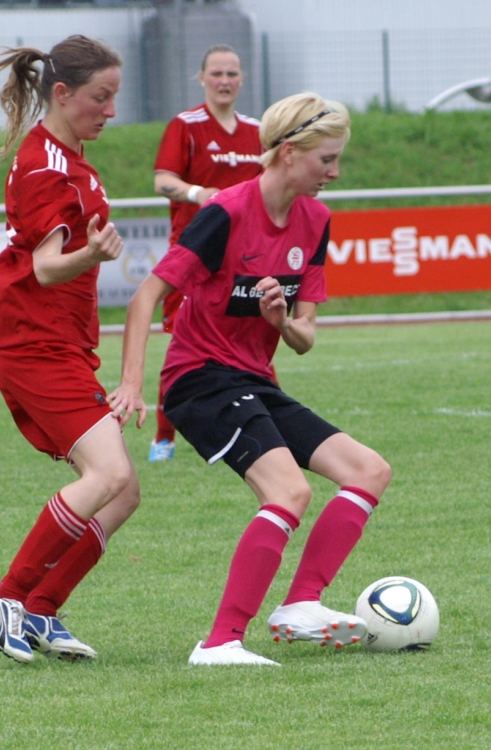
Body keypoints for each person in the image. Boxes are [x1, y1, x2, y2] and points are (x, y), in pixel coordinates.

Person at [110, 92, 392, 666]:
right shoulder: (227, 214)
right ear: (289, 153)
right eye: (326, 160)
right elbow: (146, 298)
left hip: (254, 381)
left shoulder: (316, 219)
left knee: (369, 470)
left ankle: (300, 604)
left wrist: (282, 321)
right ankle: (218, 644)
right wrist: (133, 385)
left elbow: (306, 337)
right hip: (199, 381)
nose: (334, 173)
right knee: (290, 491)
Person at [0, 36, 140, 664]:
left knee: (122, 493)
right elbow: (44, 269)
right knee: (111, 475)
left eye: (115, 96)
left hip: (59, 345)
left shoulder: (69, 160)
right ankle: (7, 595)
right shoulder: (48, 166)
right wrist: (92, 255)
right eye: (101, 97)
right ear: (62, 94)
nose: (111, 110)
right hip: (33, 344)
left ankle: (41, 610)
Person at [149, 44, 262, 462]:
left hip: (246, 258)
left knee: (253, 340)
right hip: (194, 255)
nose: (225, 81)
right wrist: (200, 194)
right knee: (183, 345)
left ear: (242, 78)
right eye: (216, 73)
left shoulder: (257, 130)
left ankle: (267, 423)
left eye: (232, 73)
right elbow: (163, 180)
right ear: (201, 78)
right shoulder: (187, 125)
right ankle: (164, 439)